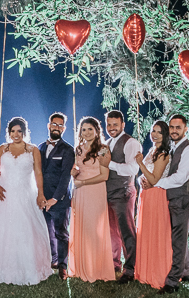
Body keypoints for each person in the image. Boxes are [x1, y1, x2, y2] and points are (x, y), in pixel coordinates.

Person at [0, 117, 53, 284]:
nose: (15, 134)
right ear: (8, 132)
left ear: (24, 132)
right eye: (12, 131)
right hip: (5, 193)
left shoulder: (33, 150)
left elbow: (38, 173)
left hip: (25, 193)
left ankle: (28, 267)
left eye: (19, 131)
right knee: (3, 227)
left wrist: (40, 194)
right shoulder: (3, 148)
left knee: (25, 227)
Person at [151, 115, 189, 293]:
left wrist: (156, 183)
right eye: (171, 127)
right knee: (178, 236)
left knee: (178, 238)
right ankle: (185, 271)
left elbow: (181, 177)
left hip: (181, 196)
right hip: (172, 197)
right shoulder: (173, 147)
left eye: (178, 127)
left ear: (186, 128)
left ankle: (172, 282)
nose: (174, 130)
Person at [68, 117, 116, 282]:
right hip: (80, 193)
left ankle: (96, 268)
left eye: (90, 129)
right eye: (83, 130)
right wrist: (74, 173)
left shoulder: (103, 149)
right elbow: (76, 168)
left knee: (94, 229)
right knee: (82, 228)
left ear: (97, 130)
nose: (87, 133)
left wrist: (83, 182)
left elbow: (104, 175)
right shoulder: (79, 149)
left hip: (95, 191)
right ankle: (82, 267)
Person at [133, 121, 173, 289]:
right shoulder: (152, 150)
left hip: (157, 196)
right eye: (153, 131)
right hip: (146, 196)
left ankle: (158, 272)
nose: (154, 135)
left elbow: (155, 179)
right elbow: (146, 177)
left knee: (157, 233)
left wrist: (140, 163)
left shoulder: (163, 154)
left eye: (159, 132)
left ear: (165, 135)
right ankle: (146, 271)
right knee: (146, 232)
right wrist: (141, 180)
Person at [104, 111, 141, 283]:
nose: (111, 128)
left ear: (123, 125)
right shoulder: (107, 143)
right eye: (109, 124)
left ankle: (131, 269)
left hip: (123, 193)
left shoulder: (131, 143)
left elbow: (133, 169)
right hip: (108, 193)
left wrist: (109, 164)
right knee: (112, 232)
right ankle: (114, 264)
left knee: (126, 232)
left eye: (115, 124)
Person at [38, 113, 76, 278]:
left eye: (60, 125)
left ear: (64, 128)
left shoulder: (68, 150)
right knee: (45, 231)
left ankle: (62, 266)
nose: (57, 127)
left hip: (59, 199)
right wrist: (40, 196)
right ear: (49, 126)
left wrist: (55, 198)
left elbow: (66, 176)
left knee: (60, 232)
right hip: (41, 198)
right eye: (54, 124)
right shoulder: (40, 147)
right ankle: (50, 261)